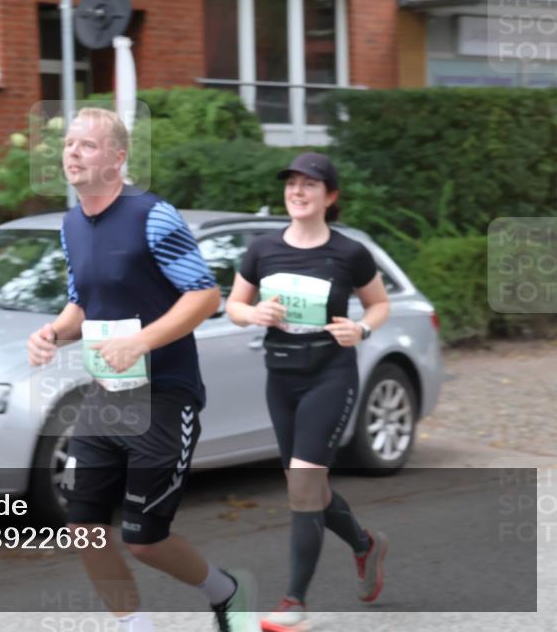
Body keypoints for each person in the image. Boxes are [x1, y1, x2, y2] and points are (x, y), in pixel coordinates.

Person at [27, 108, 257, 632]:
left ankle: (227, 591)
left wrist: (142, 342)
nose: (73, 153)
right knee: (83, 524)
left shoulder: (153, 215)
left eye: (87, 145)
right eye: (68, 145)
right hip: (106, 395)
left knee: (145, 537)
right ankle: (135, 627)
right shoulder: (71, 224)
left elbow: (204, 294)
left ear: (118, 157)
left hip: (163, 395)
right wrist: (53, 333)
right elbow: (82, 302)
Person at [225, 152, 392, 632]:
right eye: (292, 183)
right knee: (307, 487)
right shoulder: (261, 249)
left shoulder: (349, 253)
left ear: (330, 197)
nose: (297, 191)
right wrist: (253, 314)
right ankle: (365, 544)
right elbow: (234, 304)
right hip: (281, 376)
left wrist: (360, 330)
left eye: (310, 184)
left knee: (302, 483)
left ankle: (293, 601)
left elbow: (378, 305)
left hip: (331, 374)